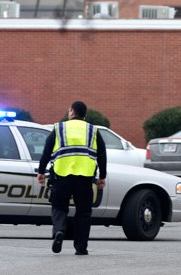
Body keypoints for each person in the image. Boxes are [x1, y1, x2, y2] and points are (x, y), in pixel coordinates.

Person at [37, 101, 107, 256]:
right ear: (84, 114)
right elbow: (102, 155)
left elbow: (46, 151)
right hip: (85, 177)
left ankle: (59, 231)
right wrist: (102, 177)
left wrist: (41, 171)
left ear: (72, 112)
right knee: (83, 212)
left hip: (62, 175)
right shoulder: (93, 130)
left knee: (59, 206)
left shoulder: (59, 128)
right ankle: (81, 247)